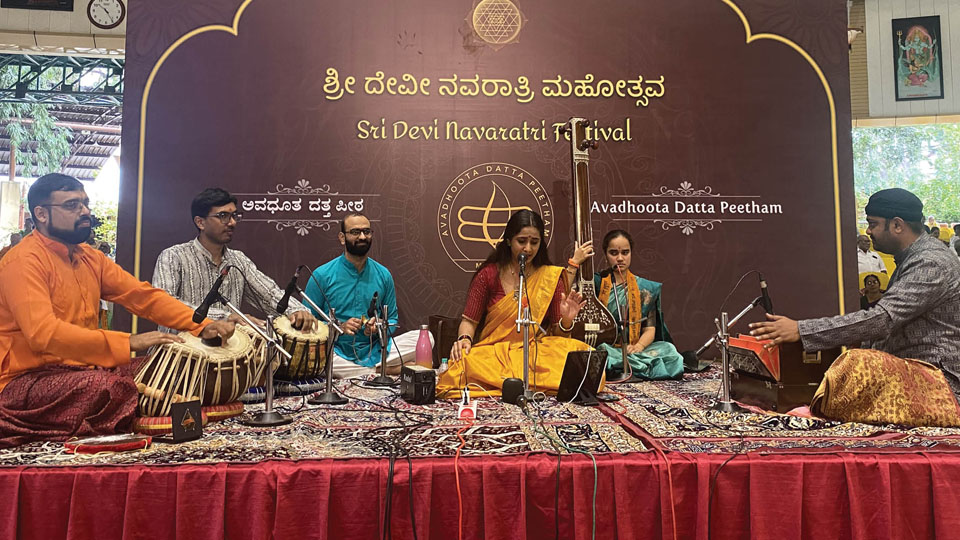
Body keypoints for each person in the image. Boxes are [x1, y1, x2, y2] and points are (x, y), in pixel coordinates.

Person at [0, 174, 235, 448]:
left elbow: (142, 296)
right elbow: (43, 334)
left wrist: (201, 324)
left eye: (85, 204)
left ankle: (141, 420)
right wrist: (128, 342)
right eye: (72, 205)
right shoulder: (24, 262)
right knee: (109, 388)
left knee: (162, 366)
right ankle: (138, 425)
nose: (85, 212)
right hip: (27, 380)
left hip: (84, 371)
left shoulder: (91, 258)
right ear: (41, 214)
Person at [750, 188, 960, 427]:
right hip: (911, 371)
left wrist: (801, 330)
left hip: (941, 383)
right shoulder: (913, 257)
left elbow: (882, 320)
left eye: (873, 224)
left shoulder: (931, 262)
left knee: (858, 364)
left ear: (898, 225)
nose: (868, 231)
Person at [437, 210, 589, 398]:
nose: (528, 249)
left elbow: (559, 335)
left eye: (534, 242)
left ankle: (509, 382)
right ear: (509, 241)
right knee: (462, 365)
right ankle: (522, 382)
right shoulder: (489, 274)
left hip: (534, 352)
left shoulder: (550, 277)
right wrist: (464, 340)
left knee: (580, 353)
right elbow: (469, 321)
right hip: (494, 353)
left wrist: (566, 321)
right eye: (521, 241)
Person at [153, 188, 317, 334]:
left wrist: (297, 311)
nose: (232, 223)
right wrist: (226, 318)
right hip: (178, 357)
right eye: (223, 216)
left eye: (234, 216)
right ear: (200, 222)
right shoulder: (173, 256)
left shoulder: (238, 260)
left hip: (228, 357)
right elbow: (163, 306)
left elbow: (270, 295)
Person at [303, 212, 426, 378]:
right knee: (317, 359)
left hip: (375, 349)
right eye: (355, 232)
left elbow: (393, 321)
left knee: (425, 338)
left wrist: (378, 327)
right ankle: (382, 370)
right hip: (336, 351)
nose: (362, 236)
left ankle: (367, 371)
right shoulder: (322, 275)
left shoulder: (383, 274)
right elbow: (307, 325)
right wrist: (339, 328)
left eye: (367, 232)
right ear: (342, 237)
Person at [575, 230, 684, 380]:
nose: (620, 258)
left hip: (635, 349)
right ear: (605, 255)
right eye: (613, 253)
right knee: (598, 353)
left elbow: (650, 329)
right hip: (609, 348)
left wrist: (639, 346)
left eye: (625, 252)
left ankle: (627, 366)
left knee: (670, 351)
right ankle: (633, 367)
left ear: (631, 253)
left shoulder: (645, 288)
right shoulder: (596, 283)